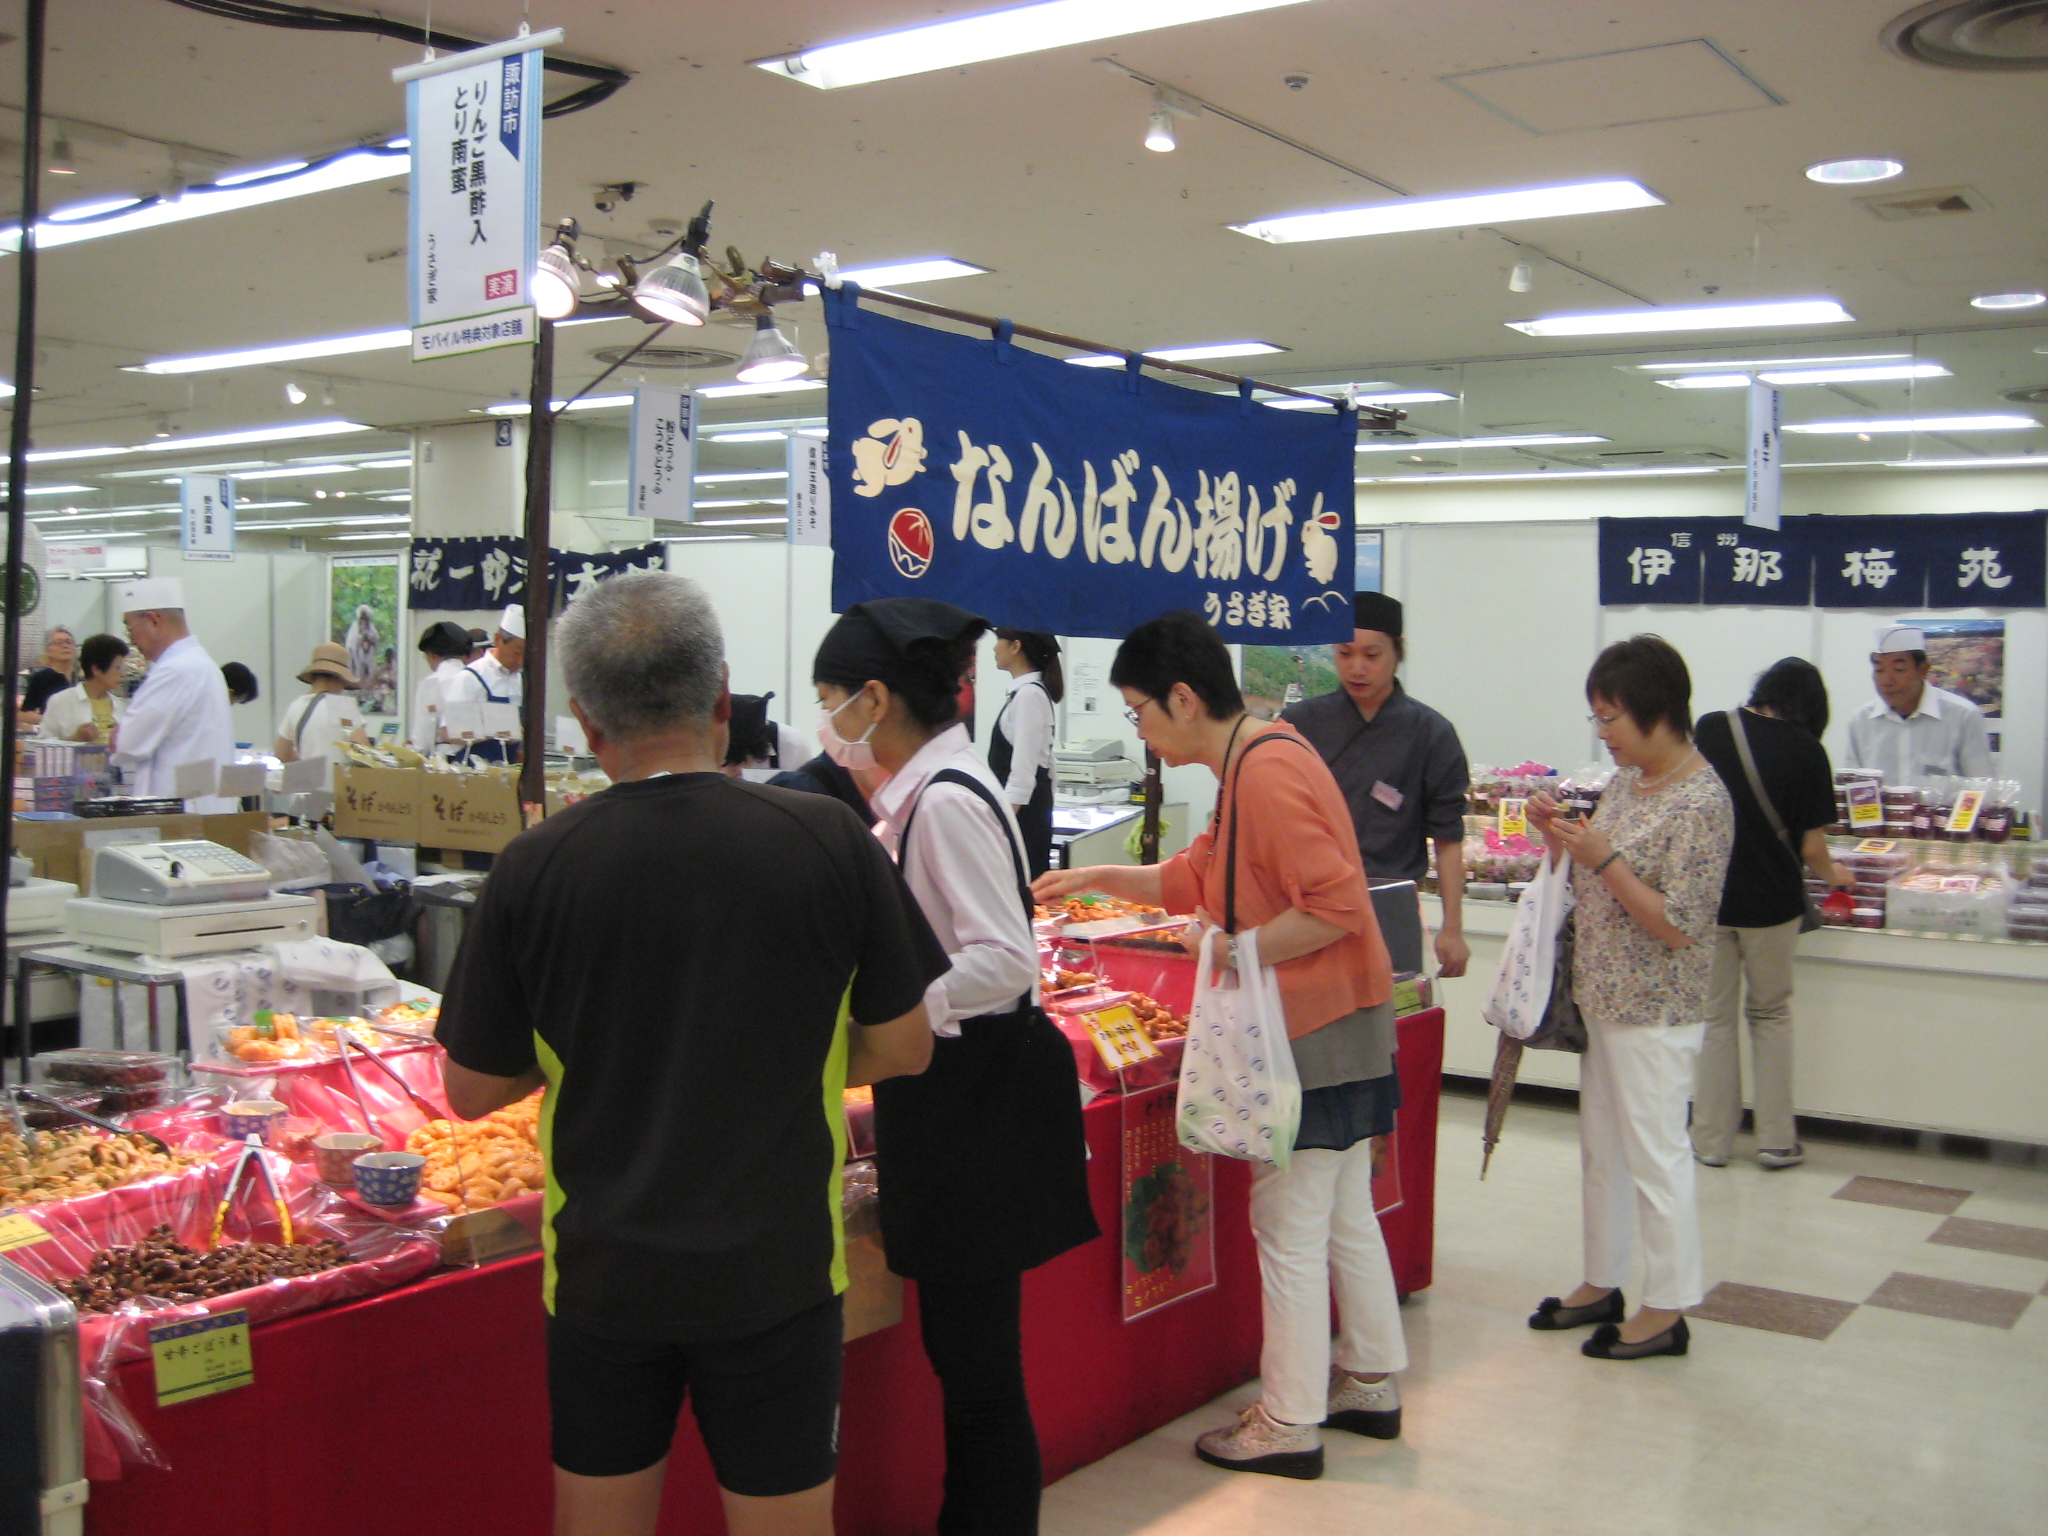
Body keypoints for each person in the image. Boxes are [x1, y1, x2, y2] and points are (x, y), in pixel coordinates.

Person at [435, 571, 945, 1536]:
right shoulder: (829, 838)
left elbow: (466, 1087)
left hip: (601, 1277)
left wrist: (591, 1046)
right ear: (721, 701)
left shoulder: (534, 866)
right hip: (779, 1271)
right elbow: (908, 1047)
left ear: (587, 725)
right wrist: (792, 1048)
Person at [1037, 610, 1404, 1482]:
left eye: (1139, 712)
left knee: (1287, 1221)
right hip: (1346, 1019)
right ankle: (1372, 1379)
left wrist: (1228, 950)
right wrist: (1094, 876)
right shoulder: (1253, 760)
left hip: (1313, 1027)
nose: (1139, 730)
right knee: (1345, 1207)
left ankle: (1287, 1421)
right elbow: (1202, 875)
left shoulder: (1267, 772)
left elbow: (1334, 906)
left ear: (1184, 697)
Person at [812, 597, 1097, 1536]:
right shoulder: (924, 791)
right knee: (966, 1362)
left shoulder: (941, 803)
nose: (828, 726)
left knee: (977, 1372)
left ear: (876, 699)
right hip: (954, 1102)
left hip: (974, 1109)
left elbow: (1006, 959)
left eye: (831, 701)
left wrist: (896, 1021)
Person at [1525, 635, 1733, 1362]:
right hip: (1605, 998)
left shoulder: (1703, 800)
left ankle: (1668, 1306)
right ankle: (1601, 1280)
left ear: (1657, 713)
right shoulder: (1630, 783)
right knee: (1603, 1153)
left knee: (1656, 1157)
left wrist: (1603, 858)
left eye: (1611, 718)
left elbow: (1679, 923)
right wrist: (1558, 839)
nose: (1603, 734)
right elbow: (1593, 879)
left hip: (1656, 1009)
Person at [1692, 660, 1853, 1173]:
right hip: (1774, 907)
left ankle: (1712, 1141)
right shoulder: (1809, 751)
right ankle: (1777, 1141)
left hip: (1713, 900)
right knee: (1770, 1015)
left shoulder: (1712, 728)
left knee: (1714, 1020)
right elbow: (1812, 848)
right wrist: (1839, 879)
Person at [1281, 593, 1472, 978]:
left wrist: (1452, 928)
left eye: (1372, 655)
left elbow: (1448, 839)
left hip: (1391, 903)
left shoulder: (1430, 733)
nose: (1357, 668)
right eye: (1345, 653)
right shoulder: (1300, 723)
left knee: (1390, 1023)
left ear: (1397, 654)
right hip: (1306, 904)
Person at [109, 578, 237, 813]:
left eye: (131, 630)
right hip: (202, 809)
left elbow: (126, 743)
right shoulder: (203, 665)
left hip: (178, 812)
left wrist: (121, 733)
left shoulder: (174, 670)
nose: (132, 643)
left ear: (154, 620)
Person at [1844, 623, 1992, 785]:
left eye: (1899, 669)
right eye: (1879, 670)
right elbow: (1853, 789)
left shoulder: (1963, 716)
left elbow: (1981, 788)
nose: (1887, 681)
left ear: (1923, 670)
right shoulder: (1862, 720)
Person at [989, 629, 1062, 879]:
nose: (993, 648)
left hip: (1025, 819)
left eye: (998, 640)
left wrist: (1000, 824)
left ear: (1015, 647)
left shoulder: (1030, 695)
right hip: (1029, 813)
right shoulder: (1026, 693)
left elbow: (1023, 773)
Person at [440, 605, 525, 760]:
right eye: (517, 652)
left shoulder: (521, 681)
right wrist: (496, 730)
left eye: (527, 655)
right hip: (473, 772)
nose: (520, 661)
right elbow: (447, 732)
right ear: (498, 639)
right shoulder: (470, 678)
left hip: (510, 771)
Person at [274, 643, 368, 766]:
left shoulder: (296, 706)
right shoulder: (342, 707)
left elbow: (282, 753)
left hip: (308, 782)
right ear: (338, 678)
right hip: (339, 782)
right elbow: (363, 751)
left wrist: (309, 764)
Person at [37, 633, 128, 743]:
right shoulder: (61, 701)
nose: (123, 673)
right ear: (96, 669)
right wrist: (76, 739)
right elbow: (43, 745)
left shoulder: (121, 705)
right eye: (117, 667)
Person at [721, 692, 816, 780]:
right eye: (725, 763)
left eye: (743, 761)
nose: (738, 770)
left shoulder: (793, 744)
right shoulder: (709, 740)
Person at [410, 620, 473, 750]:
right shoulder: (475, 678)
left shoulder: (430, 683)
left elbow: (424, 733)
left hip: (443, 758)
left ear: (432, 656)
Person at [18, 627, 77, 725]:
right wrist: (49, 720)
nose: (65, 646)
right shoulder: (41, 678)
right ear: (48, 651)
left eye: (69, 642)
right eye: (59, 642)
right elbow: (24, 714)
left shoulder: (82, 678)